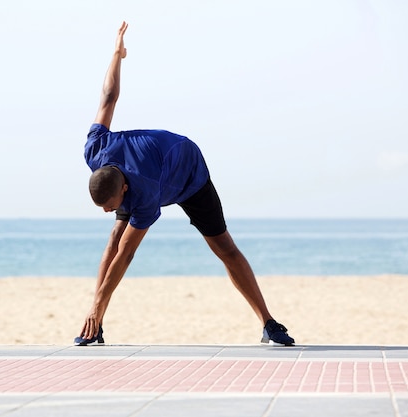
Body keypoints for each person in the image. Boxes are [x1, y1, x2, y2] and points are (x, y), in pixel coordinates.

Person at [75, 21, 295, 347]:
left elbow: (127, 254)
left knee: (224, 248)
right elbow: (108, 96)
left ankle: (269, 322)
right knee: (113, 237)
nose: (110, 211)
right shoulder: (96, 149)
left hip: (189, 174)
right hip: (151, 168)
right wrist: (116, 54)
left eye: (111, 207)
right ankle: (96, 326)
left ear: (123, 190)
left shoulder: (144, 190)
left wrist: (94, 302)